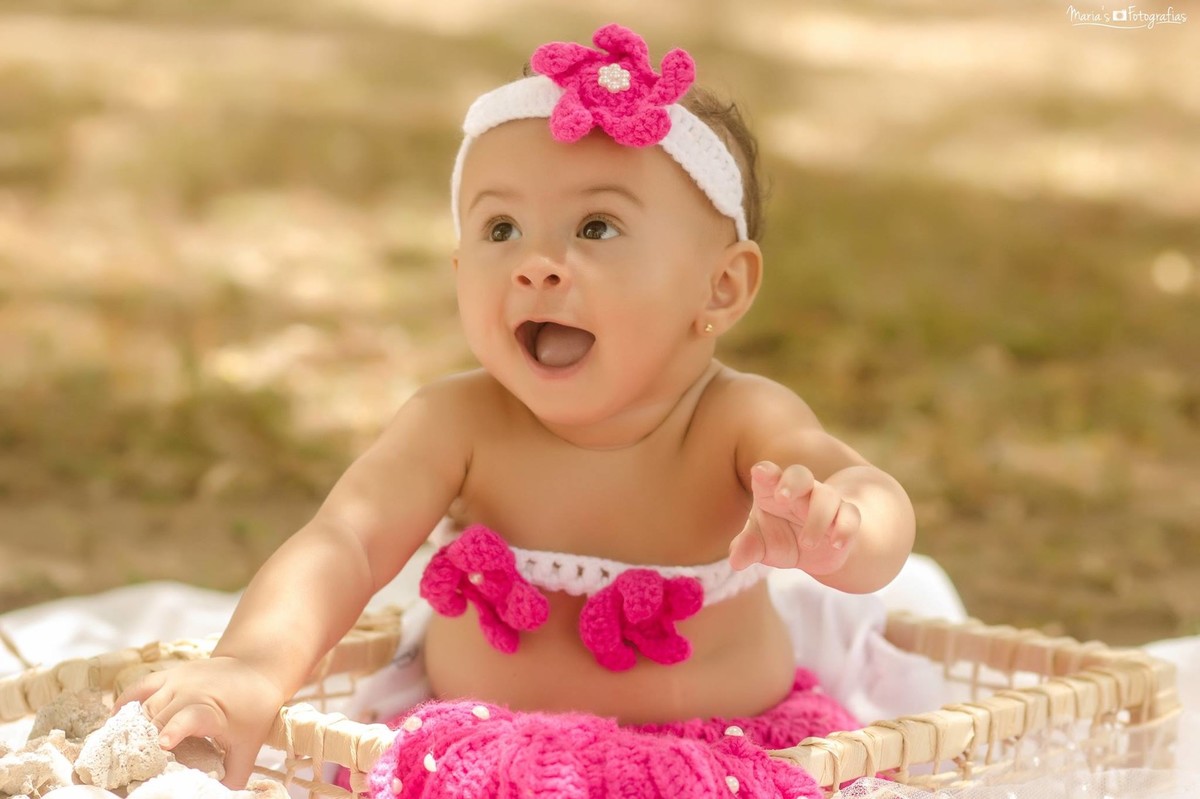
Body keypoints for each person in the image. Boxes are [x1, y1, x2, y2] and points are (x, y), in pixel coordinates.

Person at [118, 22, 916, 794]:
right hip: (481, 760)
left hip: (721, 762)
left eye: (596, 226)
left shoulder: (738, 419)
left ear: (722, 286)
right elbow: (346, 542)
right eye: (501, 228)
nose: (536, 264)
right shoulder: (457, 422)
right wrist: (251, 665)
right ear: (458, 266)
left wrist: (841, 529)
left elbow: (868, 494)